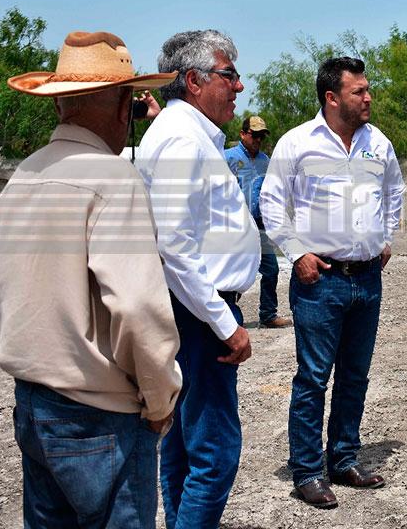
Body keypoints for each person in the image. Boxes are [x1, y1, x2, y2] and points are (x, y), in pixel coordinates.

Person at [0, 31, 181, 527]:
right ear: (124, 107)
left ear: (59, 104)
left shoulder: (24, 176)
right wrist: (159, 398)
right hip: (101, 417)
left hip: (33, 404)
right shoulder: (115, 180)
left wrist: (31, 357)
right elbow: (136, 308)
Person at [260, 56, 405, 509]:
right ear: (332, 97)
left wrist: (385, 238)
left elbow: (395, 192)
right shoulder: (297, 143)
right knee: (313, 378)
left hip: (367, 279)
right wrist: (296, 253)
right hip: (319, 280)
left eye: (367, 89)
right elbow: (271, 202)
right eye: (359, 91)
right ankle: (307, 470)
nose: (368, 97)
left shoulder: (378, 142)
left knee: (355, 376)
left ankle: (343, 459)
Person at [135, 30, 261, 528]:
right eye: (230, 75)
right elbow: (175, 247)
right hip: (199, 313)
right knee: (214, 451)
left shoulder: (185, 135)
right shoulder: (182, 141)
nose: (239, 85)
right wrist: (224, 323)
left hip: (192, 308)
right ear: (194, 80)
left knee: (184, 446)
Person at [225, 115, 292, 329]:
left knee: (271, 269)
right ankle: (226, 318)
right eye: (254, 135)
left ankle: (268, 314)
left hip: (260, 224)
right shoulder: (227, 158)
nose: (258, 140)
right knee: (232, 272)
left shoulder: (265, 161)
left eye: (261, 136)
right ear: (243, 134)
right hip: (235, 226)